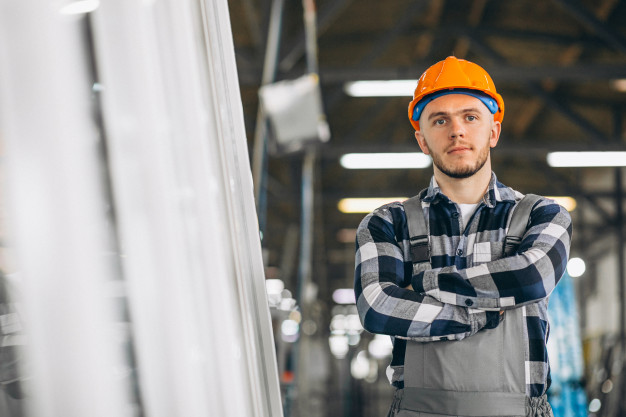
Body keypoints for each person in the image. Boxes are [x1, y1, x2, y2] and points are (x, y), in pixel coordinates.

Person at [354, 56, 572, 417]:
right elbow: (377, 306)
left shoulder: (542, 215)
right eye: (440, 120)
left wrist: (426, 283)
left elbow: (532, 276)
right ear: (422, 140)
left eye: (470, 117)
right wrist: (476, 317)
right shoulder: (388, 224)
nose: (457, 130)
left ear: (493, 131)